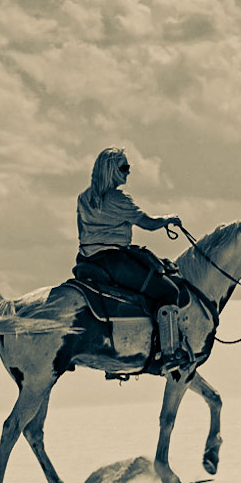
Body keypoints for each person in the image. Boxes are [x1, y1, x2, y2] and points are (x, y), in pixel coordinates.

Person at [75, 146, 187, 361]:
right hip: (113, 260)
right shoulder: (118, 199)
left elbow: (81, 231)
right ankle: (170, 351)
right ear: (111, 170)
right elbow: (148, 223)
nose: (128, 172)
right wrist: (169, 219)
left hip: (87, 259)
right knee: (168, 292)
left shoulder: (84, 198)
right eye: (124, 167)